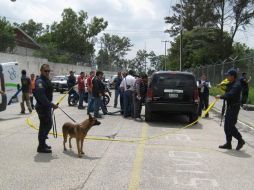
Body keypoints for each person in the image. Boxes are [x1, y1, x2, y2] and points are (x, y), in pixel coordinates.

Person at [216, 68, 245, 150]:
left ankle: (240, 140)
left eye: (228, 75)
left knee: (230, 126)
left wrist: (220, 96)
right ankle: (228, 143)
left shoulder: (237, 85)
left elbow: (230, 94)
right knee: (226, 127)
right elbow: (227, 87)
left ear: (233, 76)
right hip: (229, 107)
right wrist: (220, 85)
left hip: (234, 108)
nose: (227, 77)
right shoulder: (231, 83)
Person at [34, 64, 58, 153]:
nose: (47, 72)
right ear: (41, 71)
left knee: (48, 125)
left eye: (48, 71)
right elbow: (41, 97)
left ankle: (43, 143)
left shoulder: (46, 80)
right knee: (44, 126)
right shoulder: (39, 81)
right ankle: (41, 146)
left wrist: (50, 105)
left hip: (46, 106)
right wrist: (51, 105)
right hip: (42, 107)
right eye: (45, 71)